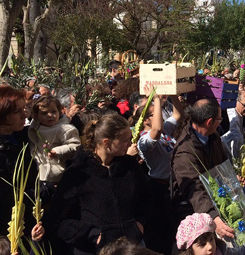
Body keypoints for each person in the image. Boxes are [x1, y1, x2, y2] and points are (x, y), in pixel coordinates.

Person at [45, 113, 152, 255]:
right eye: (125, 140)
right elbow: (59, 219)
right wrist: (92, 235)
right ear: (106, 142)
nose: (130, 143)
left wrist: (139, 223)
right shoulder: (78, 174)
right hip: (94, 250)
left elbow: (146, 198)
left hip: (131, 247)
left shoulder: (130, 166)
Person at [171, 99, 234, 239]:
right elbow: (194, 190)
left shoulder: (213, 136)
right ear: (209, 122)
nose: (221, 122)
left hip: (217, 200)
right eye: (219, 119)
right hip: (193, 211)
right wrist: (214, 217)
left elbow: (222, 164)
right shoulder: (185, 153)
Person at [136, 83, 183, 254]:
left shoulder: (165, 131)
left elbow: (178, 113)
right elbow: (156, 129)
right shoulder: (144, 141)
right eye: (154, 113)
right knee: (161, 236)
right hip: (159, 190)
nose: (160, 115)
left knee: (173, 234)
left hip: (174, 187)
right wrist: (155, 99)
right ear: (146, 120)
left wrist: (172, 92)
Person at [0, 86, 37, 237]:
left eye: (24, 109)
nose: (24, 115)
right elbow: (9, 196)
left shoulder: (25, 136)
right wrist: (43, 192)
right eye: (17, 112)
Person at [28, 96, 80, 199]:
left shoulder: (64, 129)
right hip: (39, 173)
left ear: (59, 112)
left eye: (53, 112)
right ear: (36, 116)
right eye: (44, 113)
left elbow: (75, 144)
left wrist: (57, 151)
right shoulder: (35, 128)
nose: (50, 115)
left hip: (57, 172)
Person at [176, 213, 245, 255]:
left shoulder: (222, 253)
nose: (210, 247)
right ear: (190, 249)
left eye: (211, 239)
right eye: (202, 244)